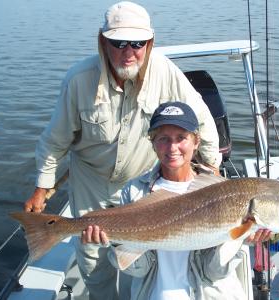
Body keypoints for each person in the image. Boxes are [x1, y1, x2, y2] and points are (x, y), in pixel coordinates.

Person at [23, 2, 221, 299]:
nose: (129, 52)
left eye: (138, 43)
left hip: (142, 185)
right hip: (92, 181)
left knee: (137, 259)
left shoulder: (165, 71)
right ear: (103, 42)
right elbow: (55, 140)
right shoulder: (78, 79)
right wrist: (42, 187)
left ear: (150, 43)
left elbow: (202, 119)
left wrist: (213, 169)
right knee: (92, 259)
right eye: (118, 43)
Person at [82, 102, 271, 300]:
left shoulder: (220, 192)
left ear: (196, 141)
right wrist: (114, 242)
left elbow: (214, 272)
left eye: (181, 138)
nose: (173, 147)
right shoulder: (135, 191)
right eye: (163, 139)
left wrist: (239, 239)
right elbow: (139, 270)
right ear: (153, 143)